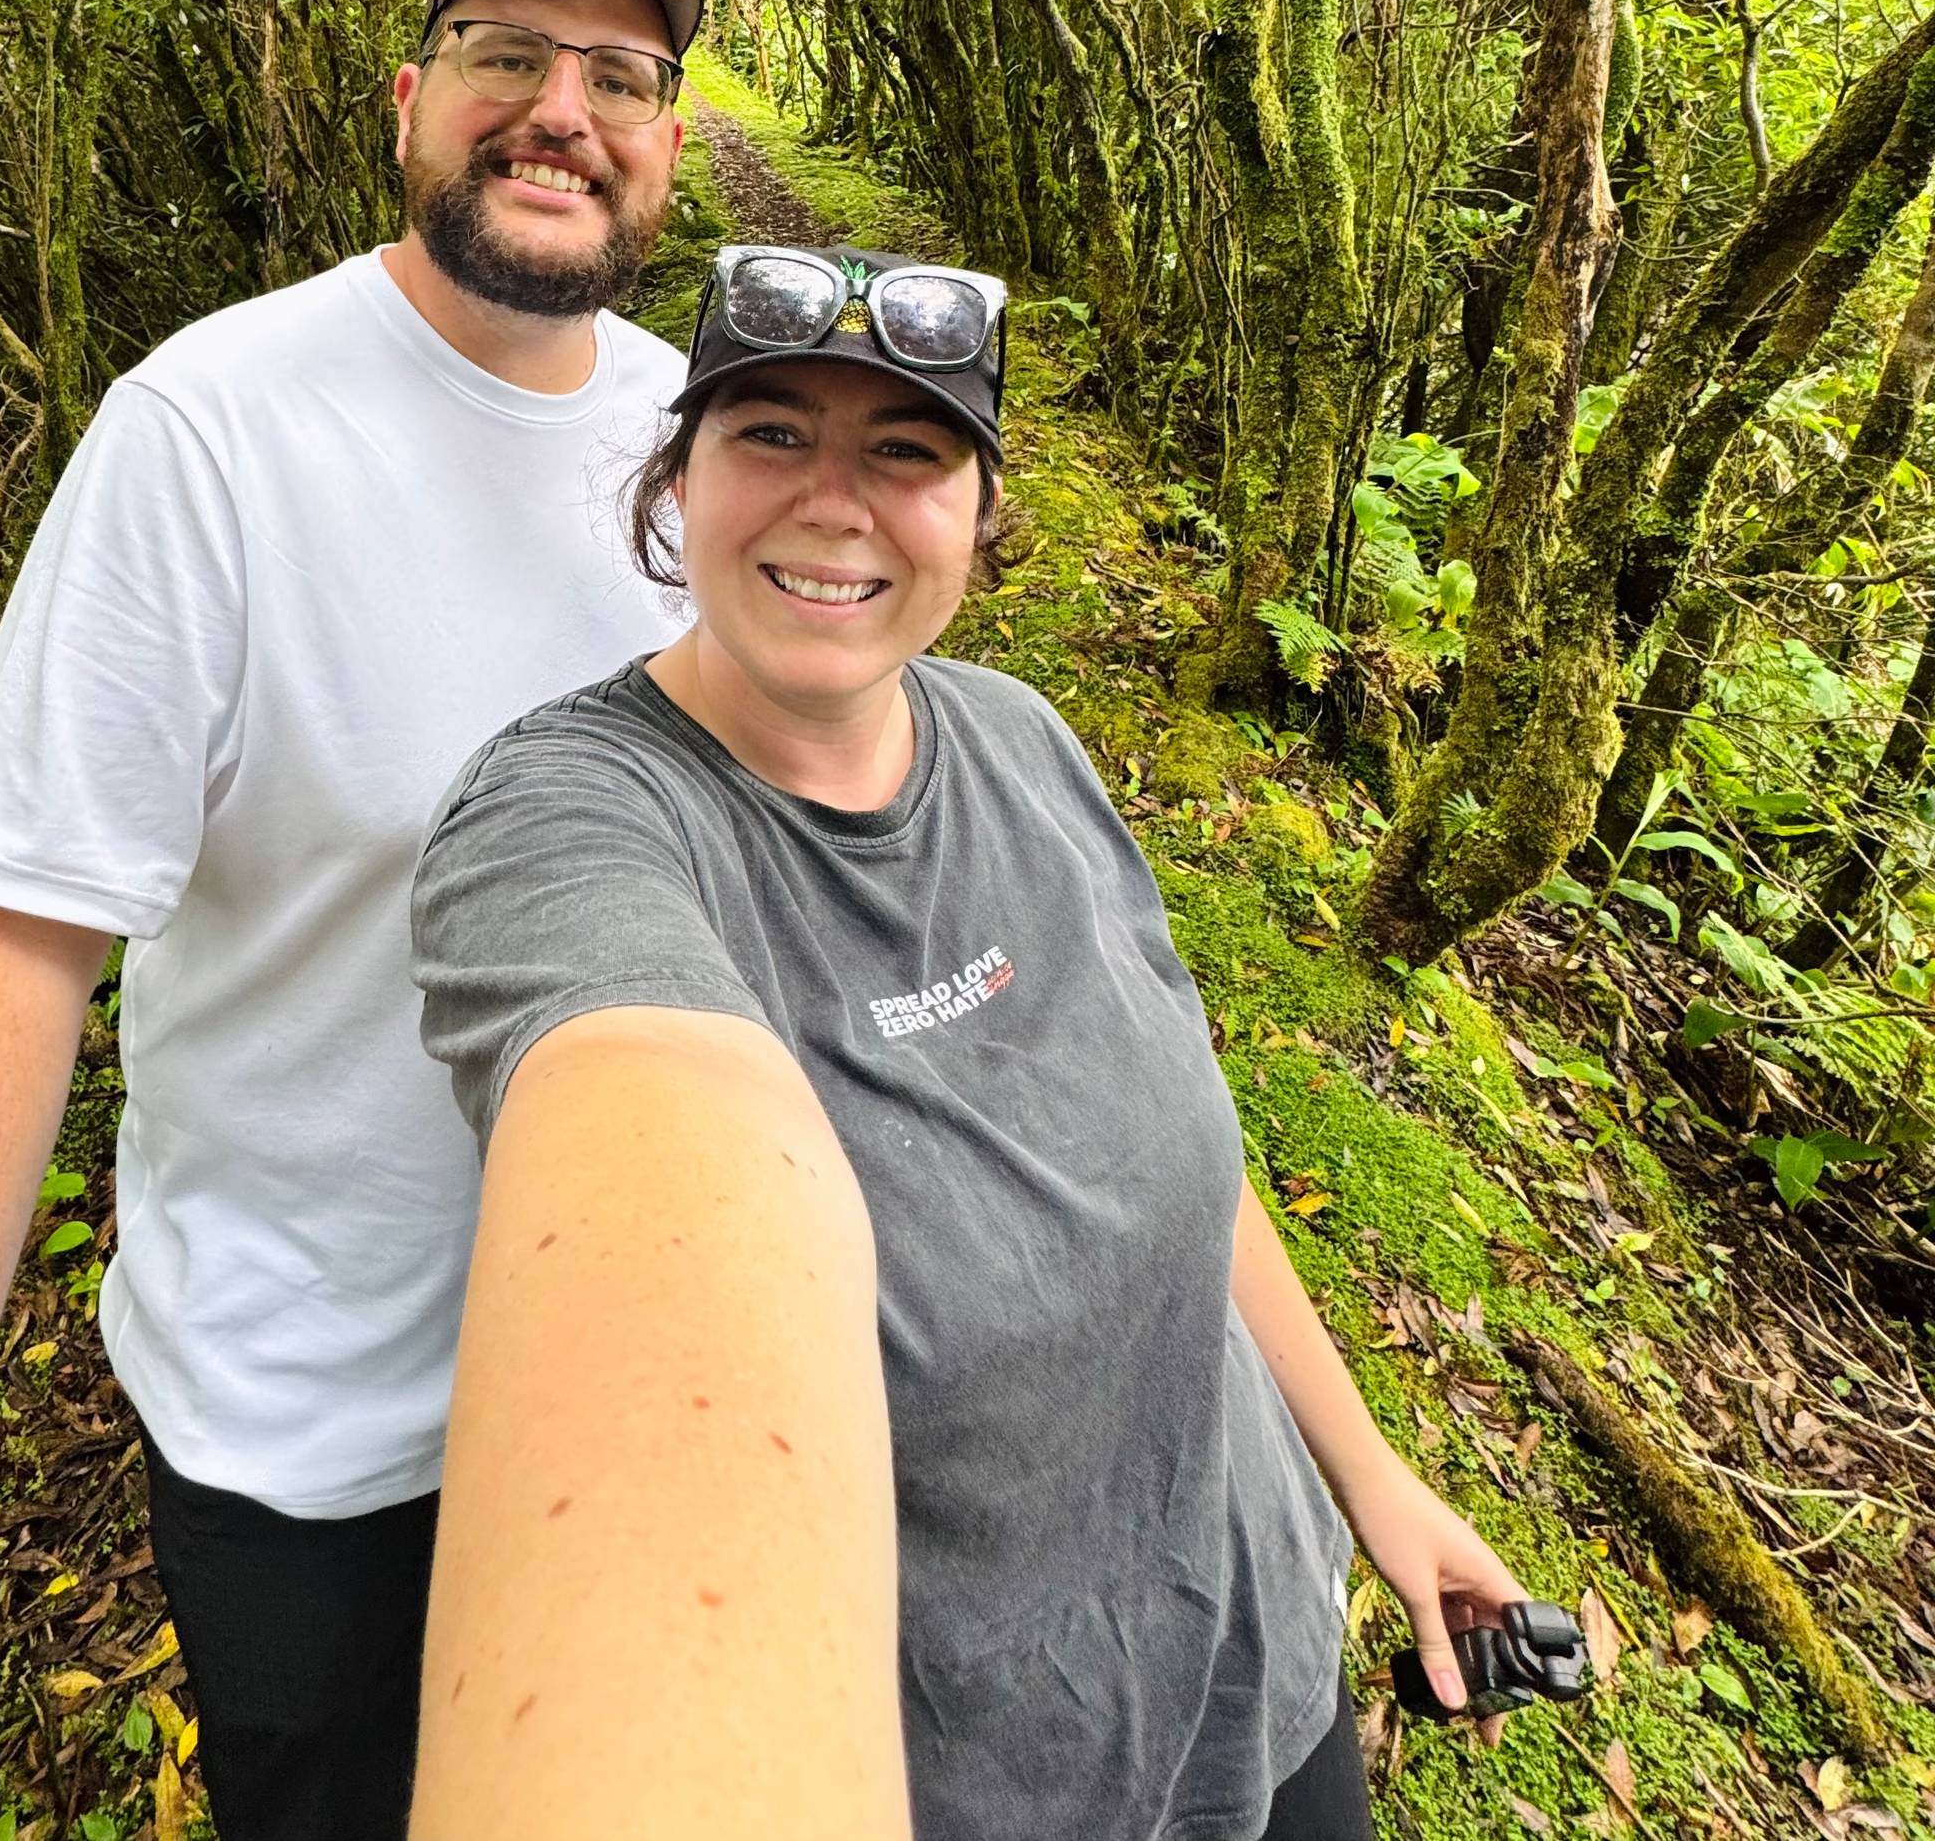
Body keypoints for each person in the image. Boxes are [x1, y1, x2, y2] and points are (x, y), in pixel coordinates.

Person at [0, 0, 708, 1841]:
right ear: (408, 102)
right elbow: (6, 932)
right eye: (505, 55)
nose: (562, 107)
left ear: (668, 144)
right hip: (309, 1431)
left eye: (620, 75)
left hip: (636, 1380)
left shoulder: (700, 436)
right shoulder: (213, 431)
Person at [409, 243, 1528, 1841]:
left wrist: (1375, 1480)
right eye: (772, 434)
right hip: (991, 1773)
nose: (834, 502)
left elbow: (1184, 1149)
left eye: (909, 454)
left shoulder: (1021, 739)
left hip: (1261, 1659)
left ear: (983, 518)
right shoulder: (571, 824)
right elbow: (646, 1146)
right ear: (680, 479)